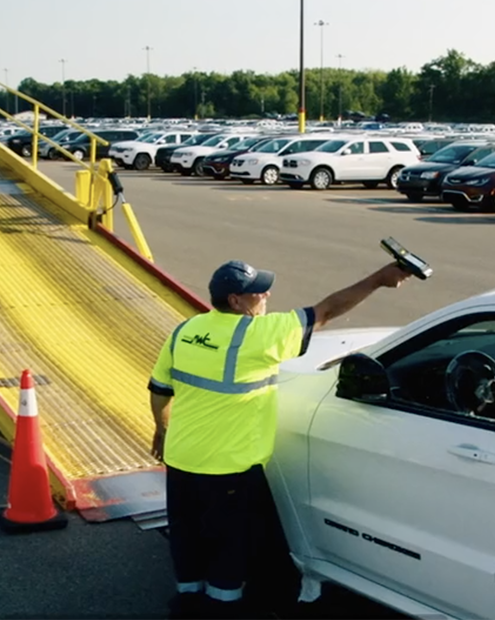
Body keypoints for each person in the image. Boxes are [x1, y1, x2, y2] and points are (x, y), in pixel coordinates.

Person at [148, 258, 413, 618]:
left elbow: (160, 390)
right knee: (229, 546)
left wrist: (161, 429)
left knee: (187, 538)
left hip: (181, 460)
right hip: (228, 468)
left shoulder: (185, 331)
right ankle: (222, 609)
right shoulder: (258, 335)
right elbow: (327, 311)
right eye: (258, 291)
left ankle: (187, 602)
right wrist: (379, 280)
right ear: (237, 301)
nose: (266, 294)